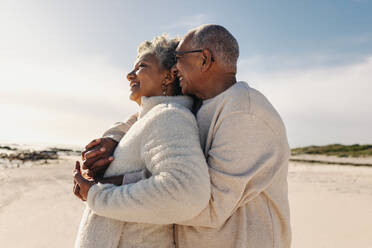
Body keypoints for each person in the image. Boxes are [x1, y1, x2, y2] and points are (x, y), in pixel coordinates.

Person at [82, 24, 291, 248]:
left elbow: (206, 205)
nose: (175, 66)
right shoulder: (201, 104)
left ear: (204, 59)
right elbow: (150, 116)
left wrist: (108, 187)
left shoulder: (244, 112)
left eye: (179, 57)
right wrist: (113, 138)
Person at [73, 35, 211, 248]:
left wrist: (96, 194)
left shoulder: (169, 116)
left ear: (169, 75)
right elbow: (149, 177)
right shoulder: (149, 119)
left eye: (141, 67)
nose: (129, 75)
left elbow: (187, 192)